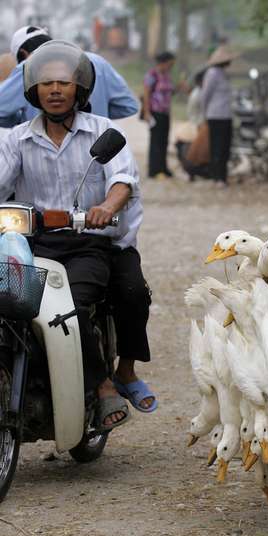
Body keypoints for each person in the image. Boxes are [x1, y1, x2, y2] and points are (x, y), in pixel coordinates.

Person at [0, 41, 155, 430]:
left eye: (63, 83)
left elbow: (122, 181)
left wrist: (107, 207)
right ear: (33, 90)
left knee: (78, 305)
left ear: (79, 89)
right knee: (10, 305)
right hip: (29, 242)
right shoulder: (16, 138)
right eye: (47, 83)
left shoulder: (103, 132)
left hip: (91, 242)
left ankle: (107, 381)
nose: (55, 90)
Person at [0, 26, 138, 127]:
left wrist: (23, 121)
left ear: (23, 54)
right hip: (97, 151)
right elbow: (128, 106)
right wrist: (98, 117)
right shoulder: (98, 62)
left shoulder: (27, 68)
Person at [201, 46, 236, 186]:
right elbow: (205, 95)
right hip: (215, 115)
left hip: (226, 115)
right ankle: (217, 176)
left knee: (225, 147)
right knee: (217, 146)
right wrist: (204, 113)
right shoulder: (212, 73)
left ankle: (223, 175)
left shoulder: (223, 74)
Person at [143, 51, 176, 179]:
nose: (171, 66)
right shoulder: (152, 75)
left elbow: (169, 92)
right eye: (170, 64)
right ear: (163, 62)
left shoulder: (167, 75)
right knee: (156, 140)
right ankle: (154, 169)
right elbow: (146, 93)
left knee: (164, 140)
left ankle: (163, 167)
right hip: (155, 112)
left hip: (165, 112)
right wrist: (146, 112)